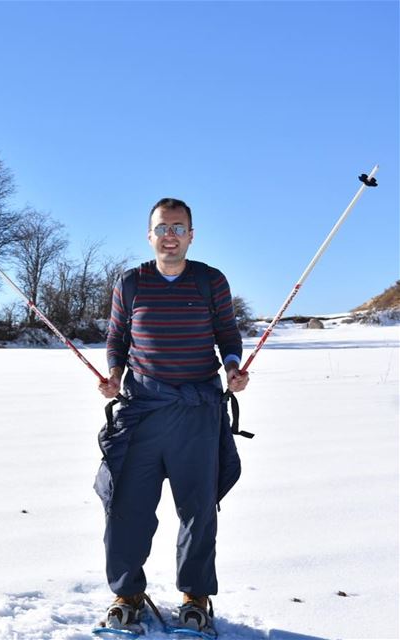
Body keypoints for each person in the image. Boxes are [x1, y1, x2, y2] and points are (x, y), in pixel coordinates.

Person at [95, 197, 249, 635]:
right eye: (162, 227)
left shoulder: (210, 281)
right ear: (149, 235)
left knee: (199, 510)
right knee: (126, 505)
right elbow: (116, 339)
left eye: (178, 228)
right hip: (141, 410)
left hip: (196, 411)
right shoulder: (130, 283)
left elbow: (227, 334)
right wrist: (113, 376)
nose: (170, 235)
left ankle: (195, 598)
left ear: (191, 235)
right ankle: (127, 595)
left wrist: (234, 368)